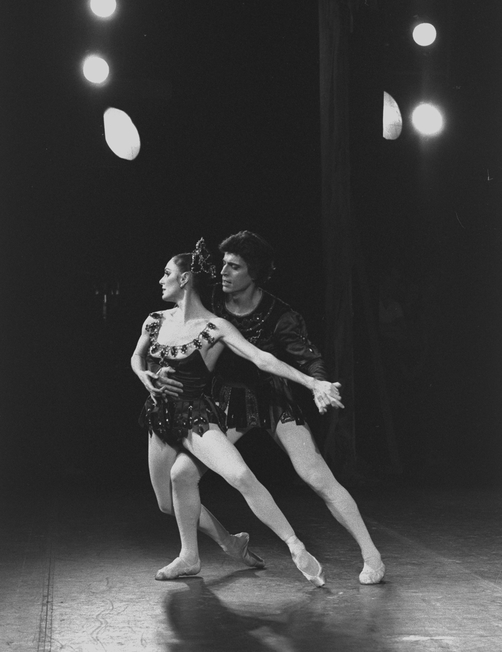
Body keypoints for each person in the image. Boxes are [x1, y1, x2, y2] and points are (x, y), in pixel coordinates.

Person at [157, 231, 385, 585]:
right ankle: (193, 554)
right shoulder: (212, 302)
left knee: (317, 477)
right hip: (227, 401)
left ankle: (372, 555)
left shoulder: (281, 315)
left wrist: (320, 383)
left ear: (255, 273)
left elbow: (307, 357)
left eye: (235, 267)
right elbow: (178, 332)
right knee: (181, 474)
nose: (224, 272)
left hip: (273, 399)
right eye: (224, 265)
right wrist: (161, 372)